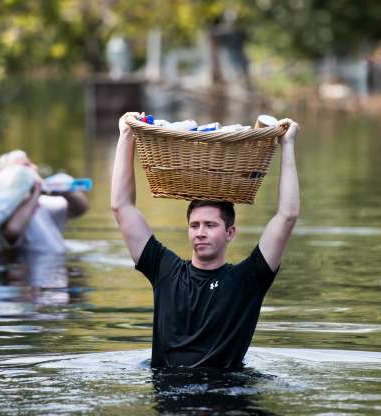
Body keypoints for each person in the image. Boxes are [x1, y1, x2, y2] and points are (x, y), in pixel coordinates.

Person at [111, 112, 300, 369]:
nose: (200, 232)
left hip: (224, 397)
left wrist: (287, 145)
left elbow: (287, 216)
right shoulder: (165, 270)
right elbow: (121, 206)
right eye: (194, 225)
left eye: (210, 225)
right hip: (172, 400)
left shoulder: (248, 280)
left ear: (230, 233)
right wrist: (126, 136)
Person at [0, 150, 89, 254]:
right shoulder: (2, 209)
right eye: (26, 165)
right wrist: (36, 193)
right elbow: (13, 232)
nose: (35, 168)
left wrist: (66, 191)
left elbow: (81, 209)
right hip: (21, 267)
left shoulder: (43, 203)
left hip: (53, 265)